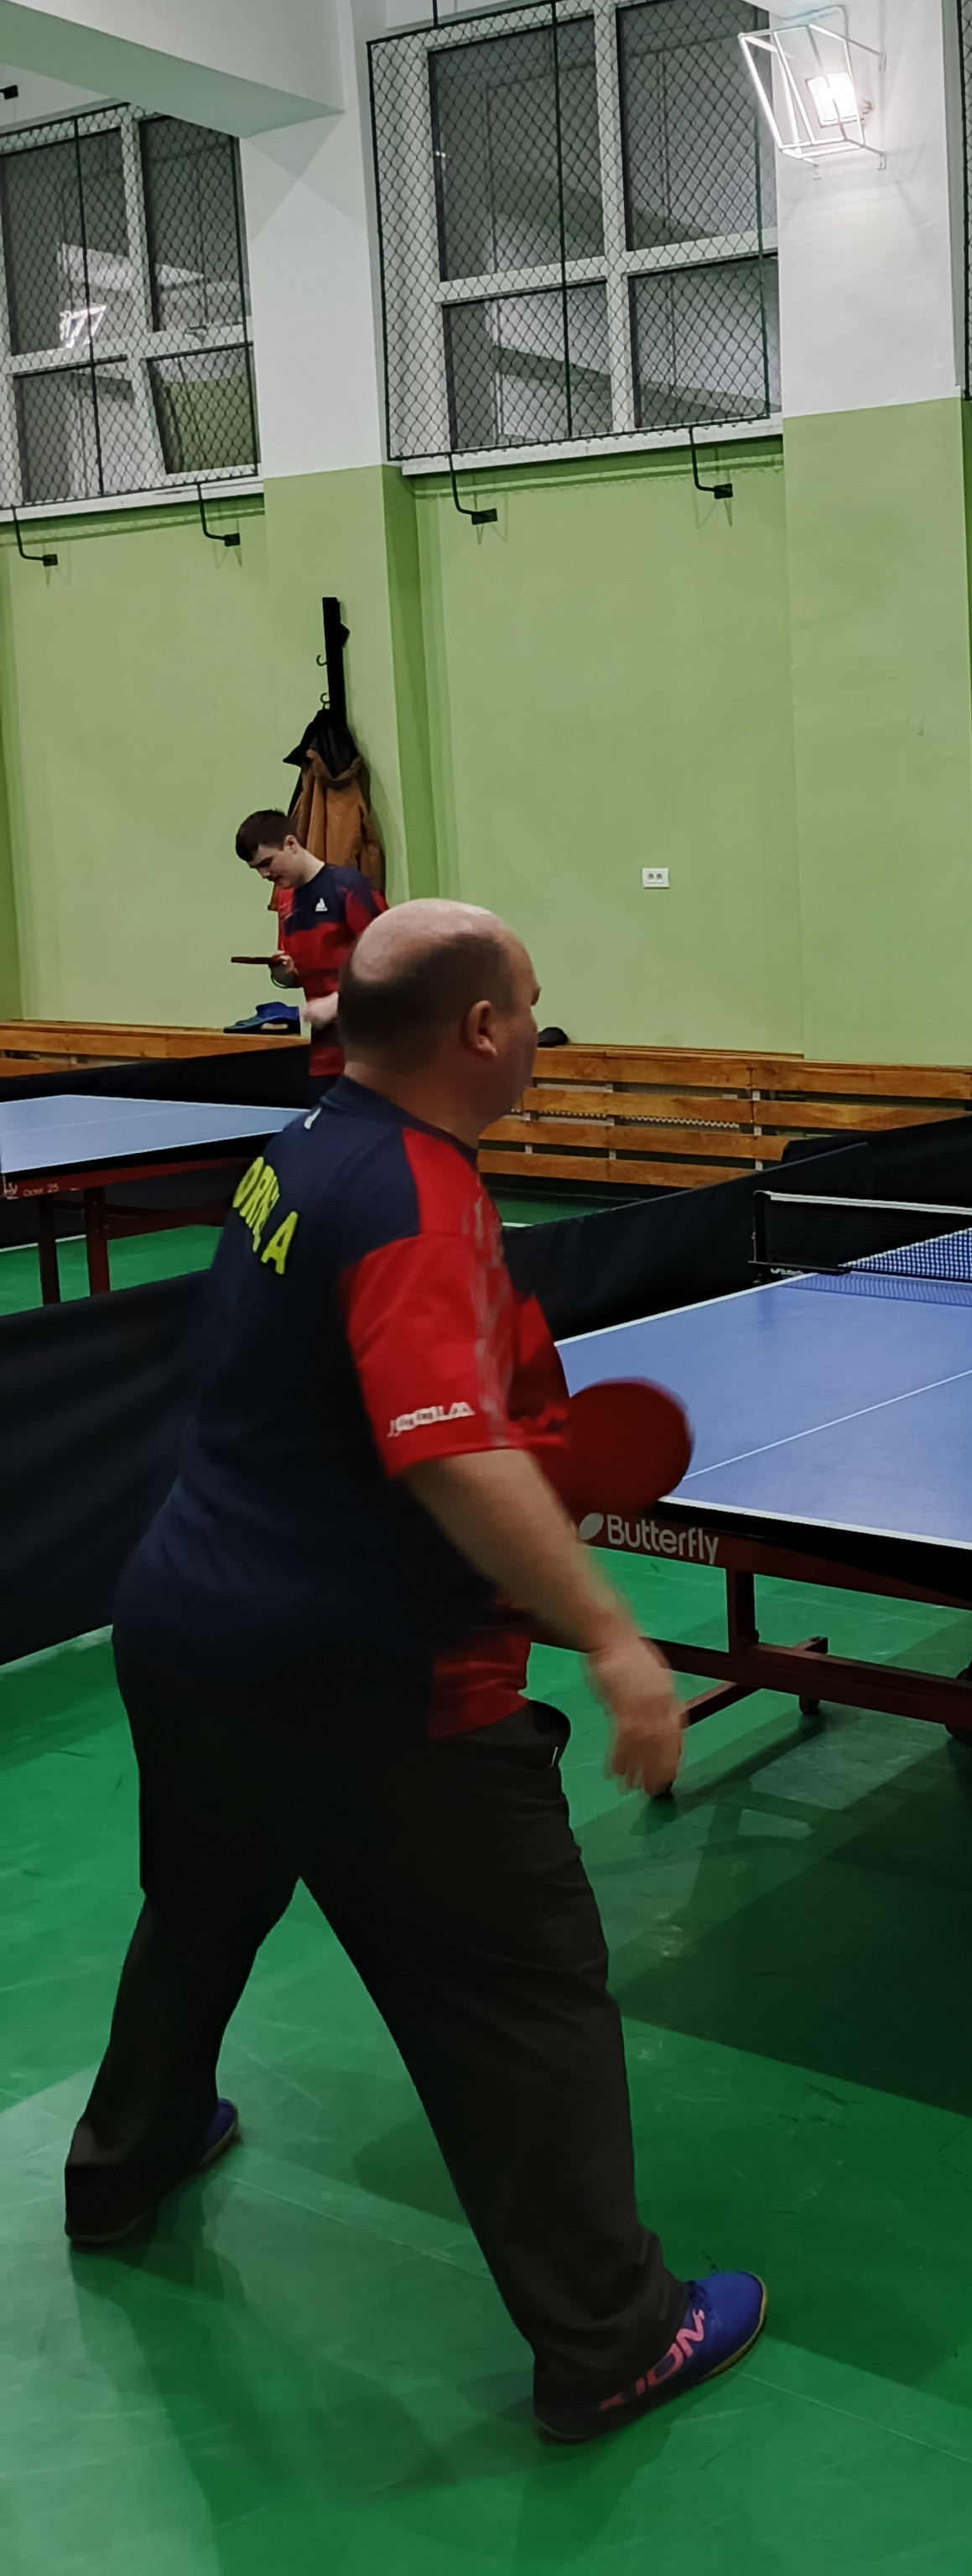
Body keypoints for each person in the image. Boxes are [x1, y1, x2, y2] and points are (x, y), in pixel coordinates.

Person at [66, 897, 765, 2441]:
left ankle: (123, 2163)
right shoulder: (422, 1198)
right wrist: (614, 1636)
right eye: (534, 1003)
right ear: (481, 1029)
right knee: (522, 1993)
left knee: (200, 1906)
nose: (540, 1029)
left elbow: (341, 1390)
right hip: (369, 1680)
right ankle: (615, 2337)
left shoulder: (300, 1149)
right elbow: (443, 1451)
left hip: (185, 1628)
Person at [233, 810, 387, 1084]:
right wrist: (283, 974)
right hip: (326, 1053)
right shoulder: (286, 902)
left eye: (267, 862)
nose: (264, 874)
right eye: (256, 868)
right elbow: (295, 976)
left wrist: (337, 1003)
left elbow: (393, 965)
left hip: (373, 1049)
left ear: (291, 844)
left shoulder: (350, 888)